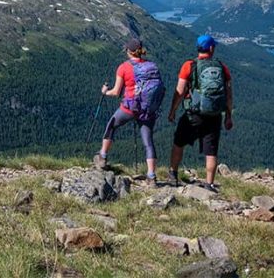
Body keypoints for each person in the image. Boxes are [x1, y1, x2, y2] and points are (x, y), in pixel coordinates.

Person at [167, 34, 233, 191]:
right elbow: (229, 95)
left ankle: (173, 174)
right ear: (211, 48)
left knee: (179, 142)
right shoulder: (222, 67)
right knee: (211, 151)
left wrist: (173, 110)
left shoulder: (189, 66)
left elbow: (180, 91)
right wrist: (228, 116)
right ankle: (209, 184)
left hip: (193, 113)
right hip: (214, 115)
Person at [94, 38, 164, 184]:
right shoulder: (151, 66)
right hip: (147, 110)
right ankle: (151, 177)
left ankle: (102, 157)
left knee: (111, 126)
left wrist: (104, 92)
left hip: (129, 108)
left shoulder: (124, 67)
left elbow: (116, 92)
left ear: (128, 51)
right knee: (148, 142)